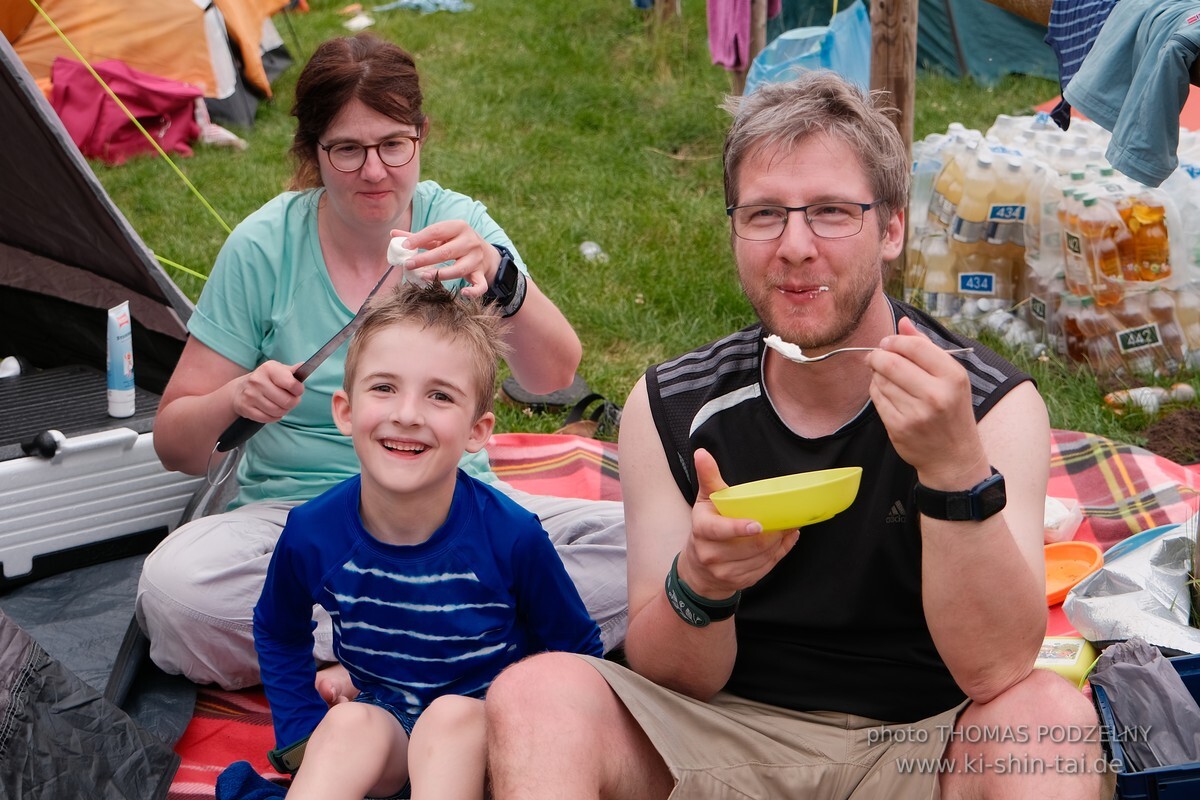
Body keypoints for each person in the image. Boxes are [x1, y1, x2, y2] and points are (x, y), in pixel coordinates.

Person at [485, 72, 1112, 799]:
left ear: (893, 228)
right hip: (724, 738)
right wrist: (702, 583)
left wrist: (953, 472)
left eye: (831, 212)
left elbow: (997, 670)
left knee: (1046, 719)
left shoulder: (985, 405)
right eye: (763, 215)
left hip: (923, 746)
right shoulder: (675, 409)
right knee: (538, 694)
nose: (794, 246)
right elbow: (667, 677)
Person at [136, 32, 626, 691]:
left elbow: (554, 376)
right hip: (300, 524)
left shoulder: (457, 229)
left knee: (645, 549)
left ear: (421, 135)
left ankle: (366, 656)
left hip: (460, 517)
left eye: (394, 144)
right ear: (313, 150)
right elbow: (176, 444)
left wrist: (503, 279)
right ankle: (455, 646)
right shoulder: (263, 248)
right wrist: (236, 399)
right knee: (176, 592)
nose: (374, 171)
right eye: (348, 149)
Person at [254, 282, 603, 799]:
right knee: (349, 726)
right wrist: (302, 731)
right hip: (391, 727)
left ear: (477, 431)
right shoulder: (312, 533)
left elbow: (578, 653)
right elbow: (277, 629)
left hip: (491, 740)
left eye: (439, 395)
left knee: (450, 719)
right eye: (384, 388)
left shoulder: (512, 537)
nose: (408, 414)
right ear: (345, 411)